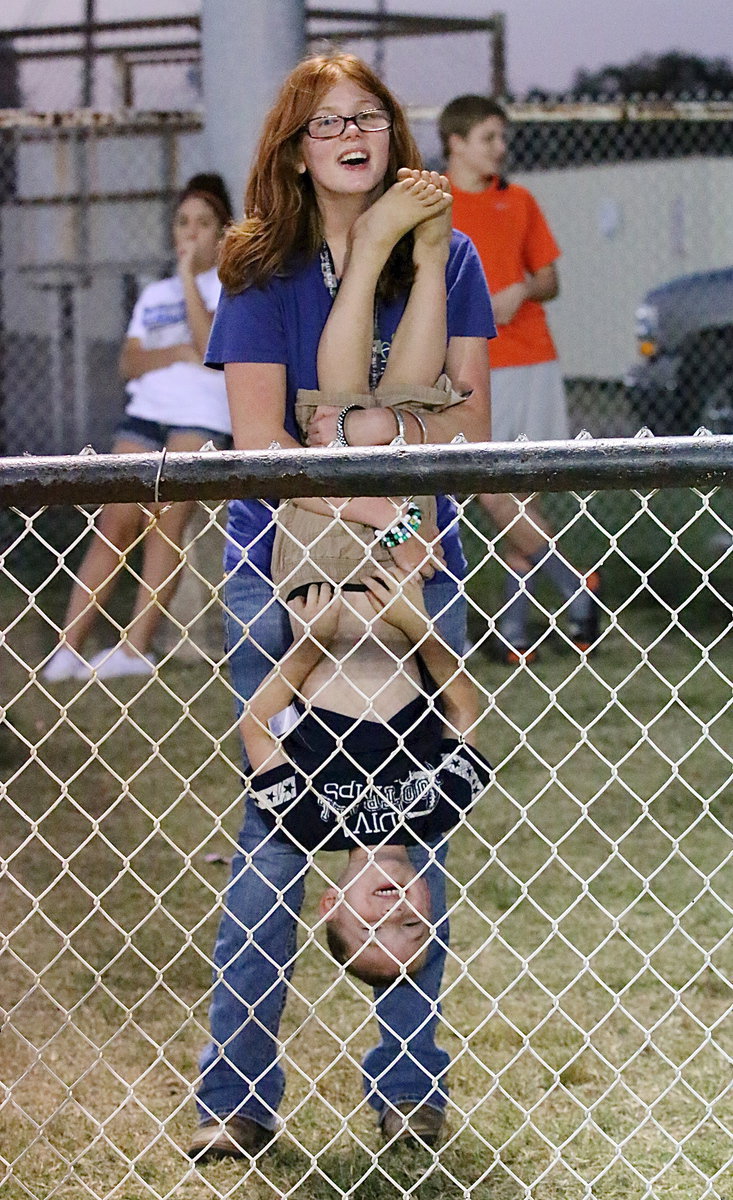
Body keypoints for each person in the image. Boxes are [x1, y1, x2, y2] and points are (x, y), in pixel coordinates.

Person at [188, 52, 494, 1163]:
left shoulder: (446, 254)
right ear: (292, 147)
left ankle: (408, 1085)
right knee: (278, 832)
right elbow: (259, 442)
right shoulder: (258, 266)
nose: (353, 134)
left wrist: (389, 478)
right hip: (290, 573)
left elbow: (466, 428)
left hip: (418, 566)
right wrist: (364, 480)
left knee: (415, 824)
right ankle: (236, 1094)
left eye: (370, 116)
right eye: (328, 123)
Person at [242, 572, 492, 985]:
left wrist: (309, 645)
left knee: (329, 505)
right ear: (430, 903)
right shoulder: (441, 812)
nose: (394, 914)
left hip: (316, 590)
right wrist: (418, 626)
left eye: (372, 930)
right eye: (413, 927)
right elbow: (463, 711)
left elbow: (256, 726)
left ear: (331, 904)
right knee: (394, 511)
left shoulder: (304, 825)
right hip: (396, 589)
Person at [42, 172, 234, 683]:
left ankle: (135, 647)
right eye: (182, 223)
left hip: (201, 417)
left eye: (202, 224)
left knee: (164, 517)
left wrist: (192, 282)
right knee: (115, 519)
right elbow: (129, 361)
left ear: (221, 233)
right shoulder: (154, 295)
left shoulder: (231, 286)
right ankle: (68, 647)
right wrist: (175, 353)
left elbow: (211, 347)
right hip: (147, 411)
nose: (190, 233)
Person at [440, 95, 602, 663]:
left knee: (522, 490)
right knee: (487, 485)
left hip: (531, 356)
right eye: (488, 137)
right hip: (469, 367)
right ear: (455, 142)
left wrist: (521, 290)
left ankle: (515, 630)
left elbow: (550, 277)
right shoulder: (434, 204)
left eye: (503, 137)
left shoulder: (521, 200)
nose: (500, 148)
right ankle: (573, 585)